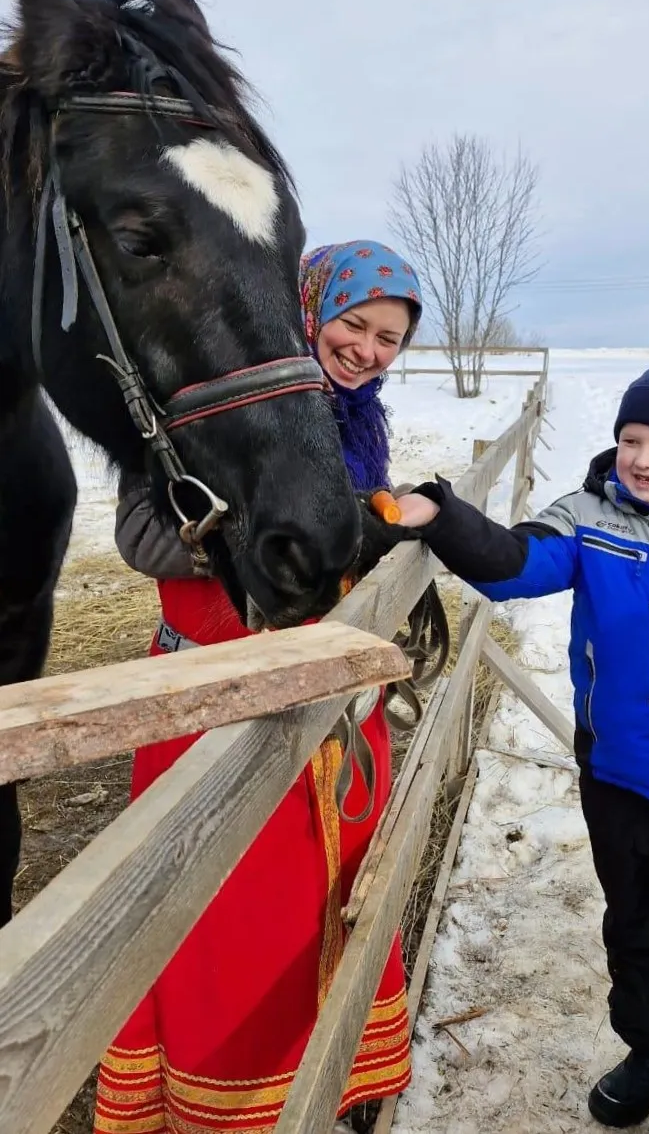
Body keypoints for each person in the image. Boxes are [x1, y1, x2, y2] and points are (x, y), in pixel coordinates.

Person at [395, 364, 649, 1134]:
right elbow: (513, 562)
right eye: (629, 438)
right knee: (633, 925)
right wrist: (440, 515)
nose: (643, 458)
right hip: (616, 777)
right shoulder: (587, 516)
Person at [93, 241, 423, 1134]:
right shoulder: (200, 395)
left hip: (335, 709)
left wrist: (380, 526)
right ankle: (225, 1097)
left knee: (332, 897)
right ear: (308, 309)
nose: (366, 349)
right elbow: (143, 540)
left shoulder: (361, 424)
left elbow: (356, 541)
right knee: (225, 919)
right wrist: (271, 527)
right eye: (354, 324)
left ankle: (332, 1072)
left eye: (389, 337)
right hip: (211, 704)